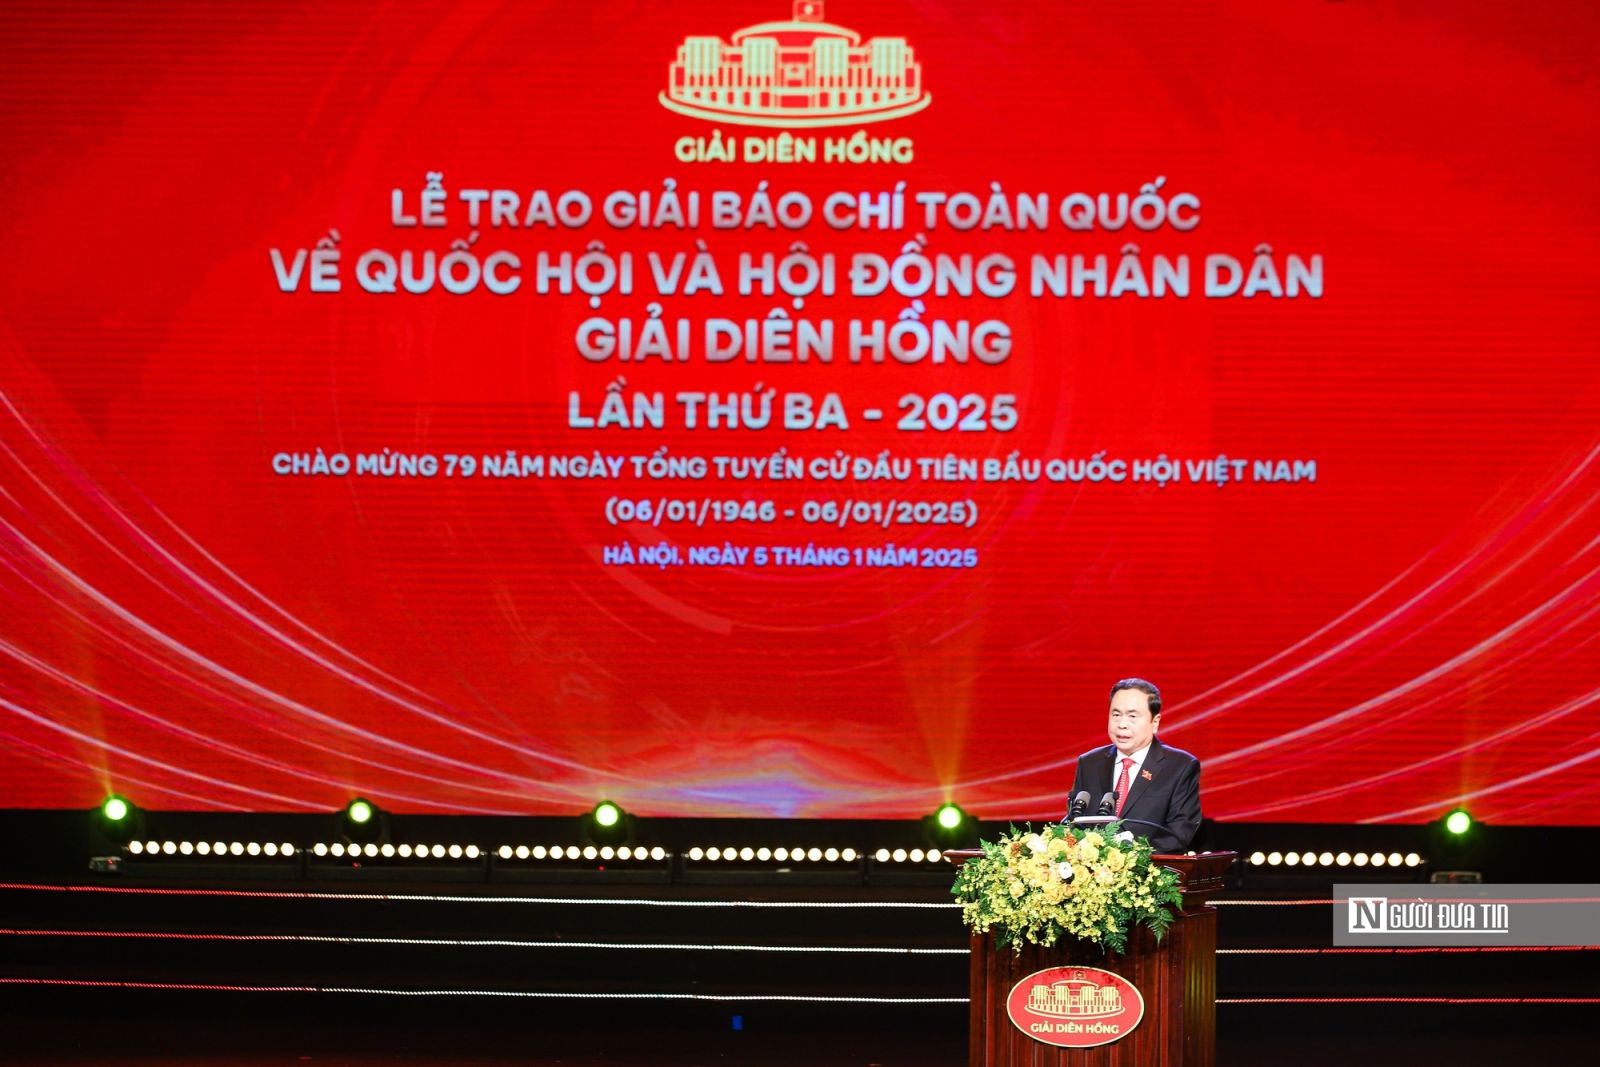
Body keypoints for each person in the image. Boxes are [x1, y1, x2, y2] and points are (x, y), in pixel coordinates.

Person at [1068, 678, 1201, 853]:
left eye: (1132, 716)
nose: (1122, 725)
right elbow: (1075, 823)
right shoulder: (1090, 763)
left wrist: (1130, 860)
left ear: (1155, 722)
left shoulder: (1180, 766)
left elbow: (1179, 832)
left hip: (1150, 866)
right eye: (1116, 715)